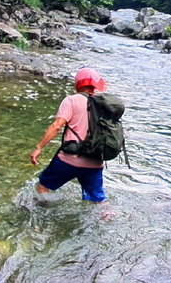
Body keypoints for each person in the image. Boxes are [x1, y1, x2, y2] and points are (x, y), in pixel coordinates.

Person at [30, 67, 111, 204]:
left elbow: (57, 126)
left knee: (43, 186)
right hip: (95, 162)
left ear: (78, 83)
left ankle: (42, 218)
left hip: (69, 160)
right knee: (98, 201)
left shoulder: (71, 100)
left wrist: (38, 147)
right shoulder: (104, 104)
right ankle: (108, 218)